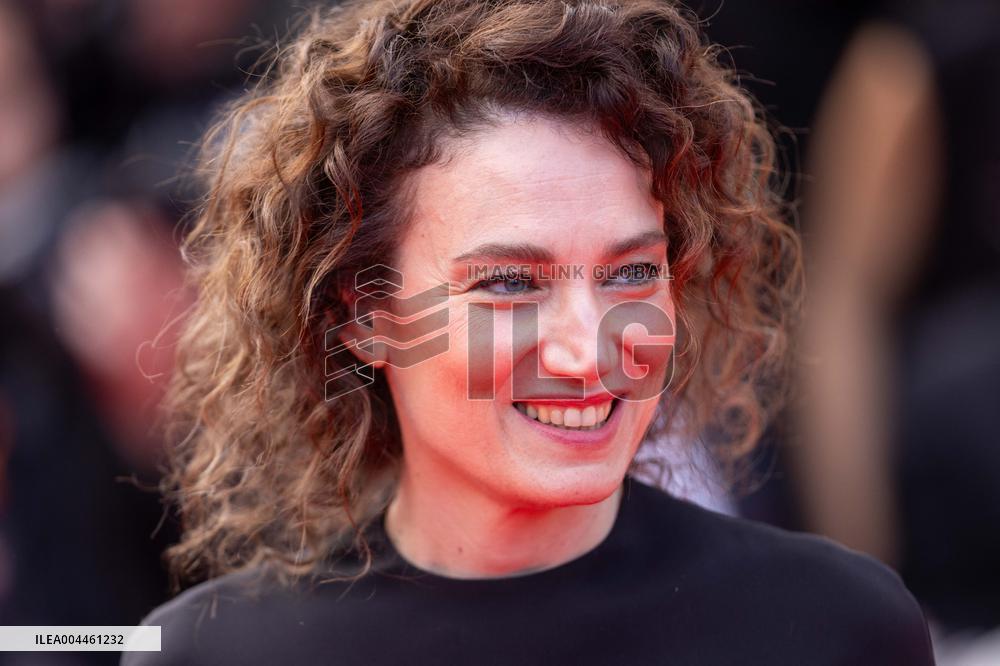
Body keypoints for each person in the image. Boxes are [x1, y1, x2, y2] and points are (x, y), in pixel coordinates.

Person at [123, 0, 935, 663]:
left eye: (630, 273)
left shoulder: (835, 630)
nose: (587, 351)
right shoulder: (212, 652)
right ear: (362, 315)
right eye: (510, 284)